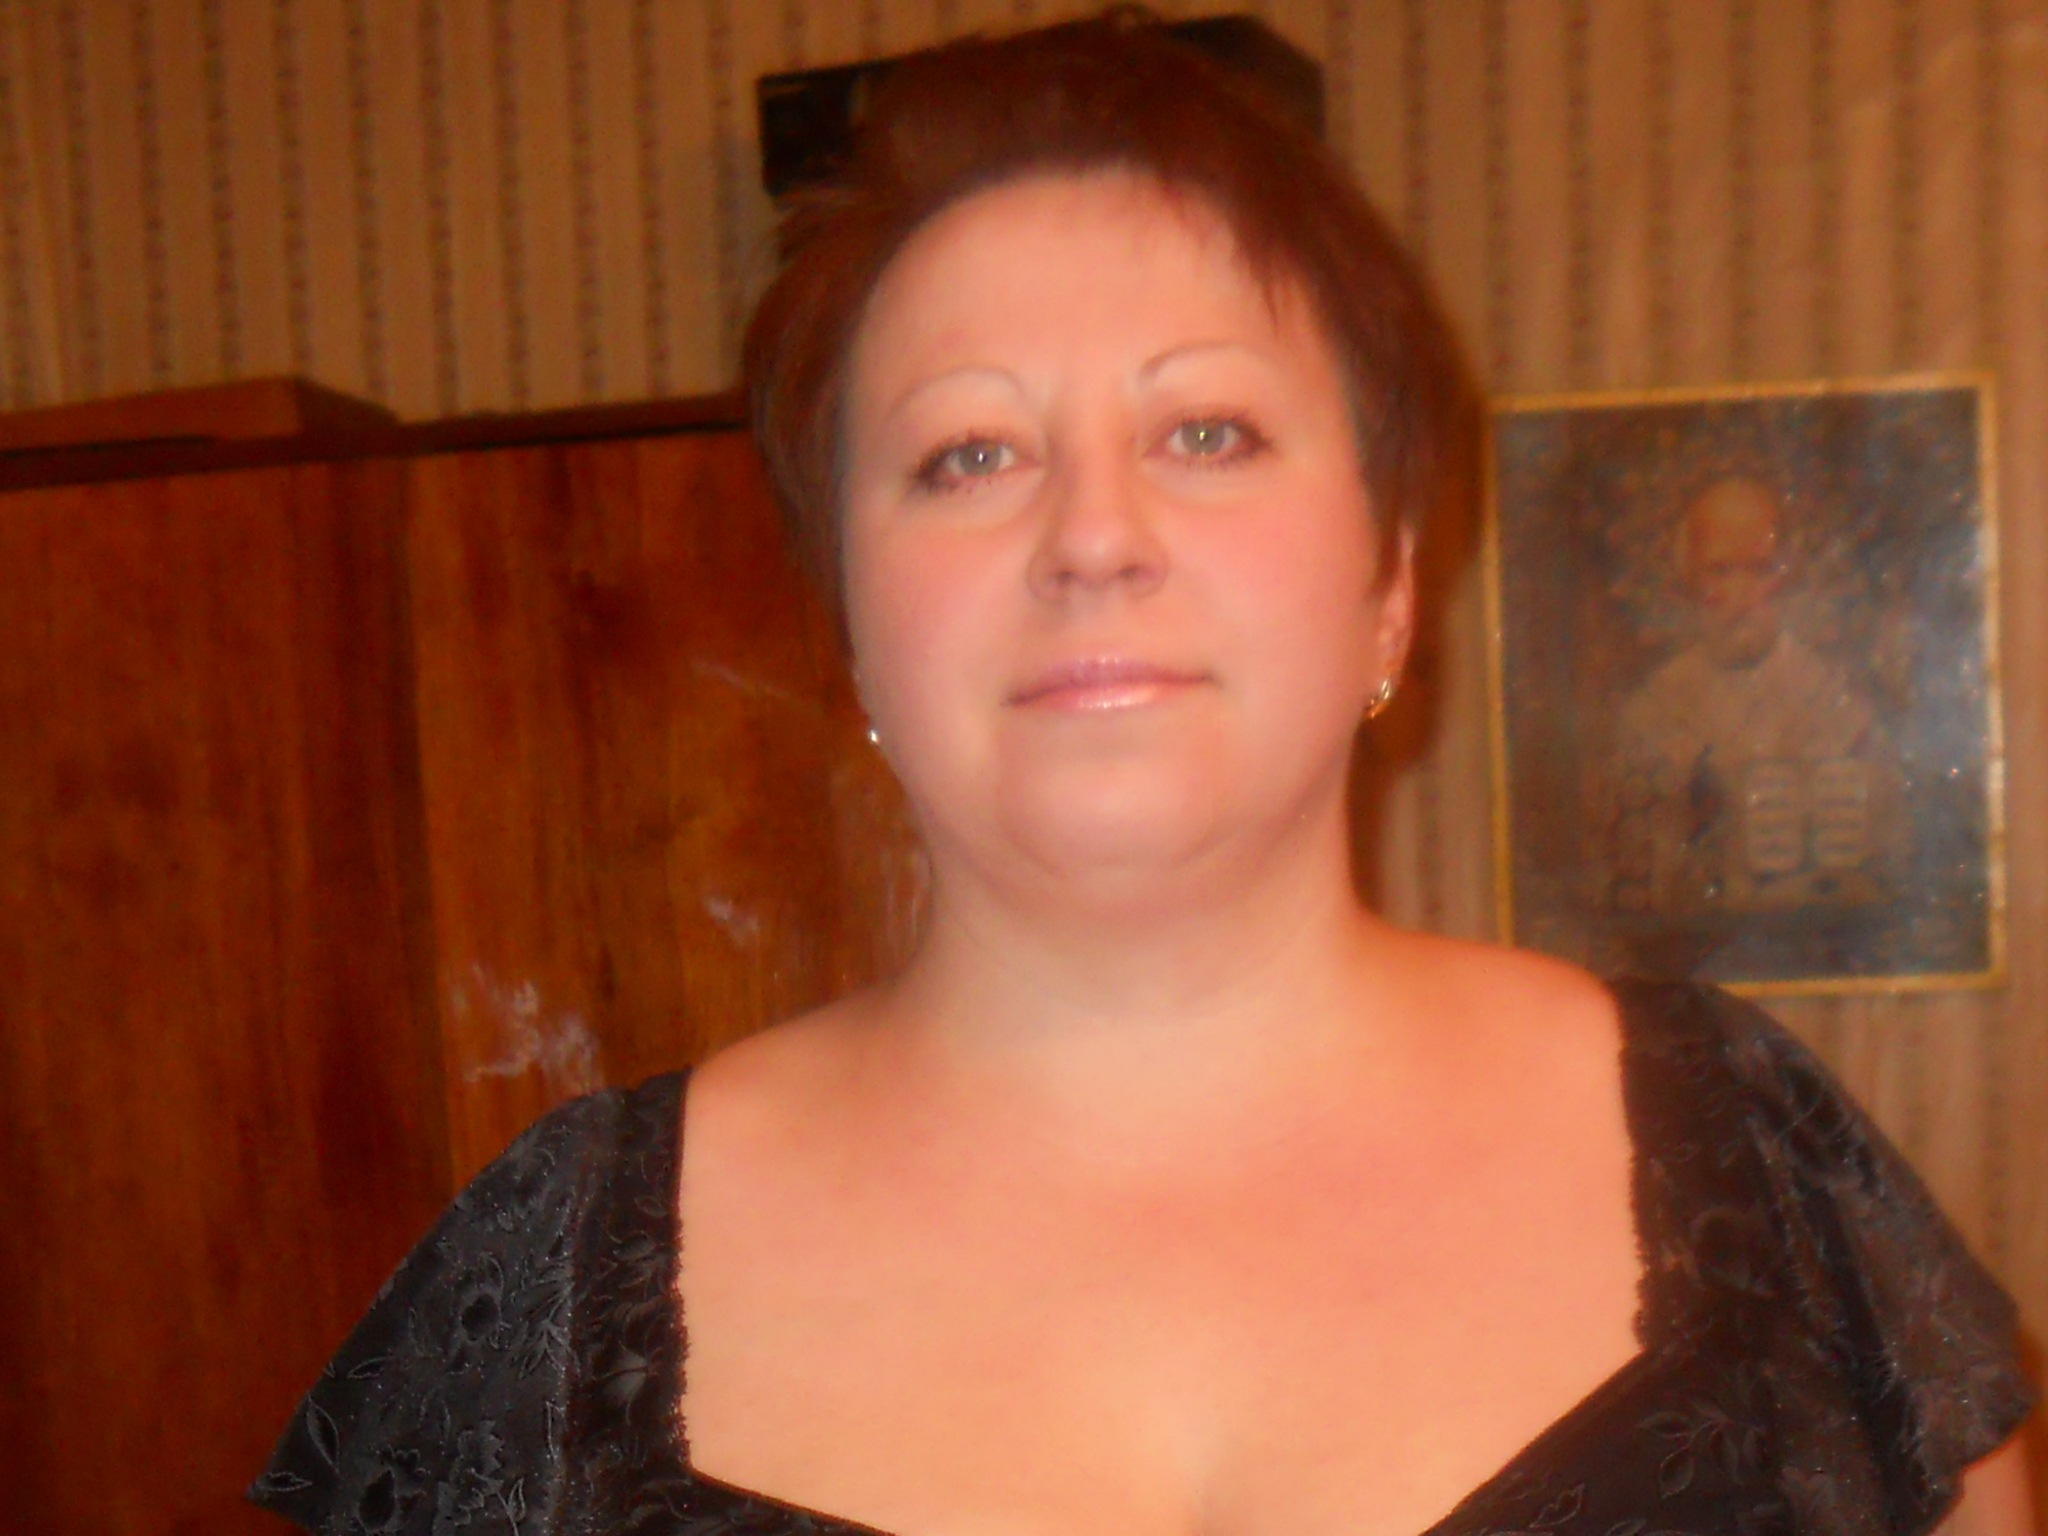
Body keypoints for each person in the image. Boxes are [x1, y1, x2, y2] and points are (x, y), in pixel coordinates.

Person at [249, 16, 2035, 1536]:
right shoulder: (547, 1294)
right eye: (967, 455)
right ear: (851, 626)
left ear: (1390, 583)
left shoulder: (1768, 1182)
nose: (1093, 534)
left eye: (1206, 430)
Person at [1605, 476, 1902, 923]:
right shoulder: (1652, 711)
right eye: (1720, 571)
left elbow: (1885, 867)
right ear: (1689, 578)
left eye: (1760, 570)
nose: (1741, 595)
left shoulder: (1837, 705)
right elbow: (1632, 880)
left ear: (1786, 576)